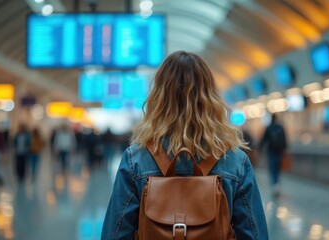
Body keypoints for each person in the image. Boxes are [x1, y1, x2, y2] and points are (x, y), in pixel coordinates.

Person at [102, 51, 268, 240]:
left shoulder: (136, 159)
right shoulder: (235, 161)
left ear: (159, 98)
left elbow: (115, 233)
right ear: (210, 97)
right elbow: (254, 234)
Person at [258, 114, 287, 196]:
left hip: (271, 152)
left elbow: (263, 140)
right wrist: (284, 151)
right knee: (277, 169)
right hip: (279, 152)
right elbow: (285, 140)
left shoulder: (269, 128)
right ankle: (277, 184)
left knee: (272, 169)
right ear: (276, 119)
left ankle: (274, 185)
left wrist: (259, 149)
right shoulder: (280, 128)